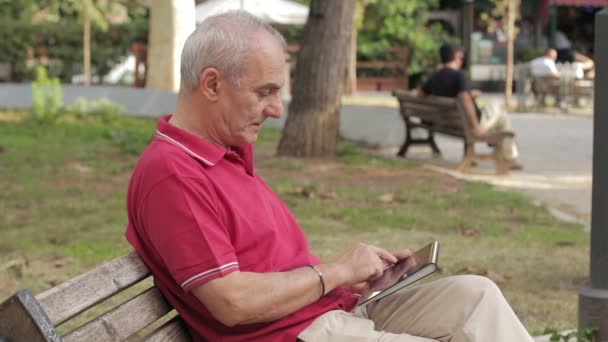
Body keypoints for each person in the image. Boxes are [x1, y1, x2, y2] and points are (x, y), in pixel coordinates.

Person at [125, 11, 534, 342]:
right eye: (264, 92)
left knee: (478, 296)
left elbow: (271, 264)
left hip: (329, 311)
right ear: (211, 84)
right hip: (297, 334)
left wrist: (356, 282)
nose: (276, 110)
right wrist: (337, 271)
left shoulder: (226, 153)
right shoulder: (173, 175)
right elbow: (232, 303)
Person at [419, 44, 521, 170]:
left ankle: (500, 147)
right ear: (457, 56)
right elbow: (464, 99)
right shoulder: (459, 75)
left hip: (448, 122)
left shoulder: (434, 76)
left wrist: (467, 93)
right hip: (467, 124)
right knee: (502, 115)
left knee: (494, 107)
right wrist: (476, 127)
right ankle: (509, 158)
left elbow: (420, 93)